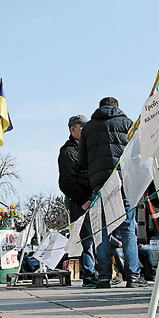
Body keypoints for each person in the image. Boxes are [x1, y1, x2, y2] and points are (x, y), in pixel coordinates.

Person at [78, 97, 148, 288]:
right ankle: (133, 276)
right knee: (127, 230)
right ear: (117, 107)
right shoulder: (127, 123)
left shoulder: (89, 128)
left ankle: (103, 278)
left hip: (99, 185)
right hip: (122, 182)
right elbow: (137, 154)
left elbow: (82, 160)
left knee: (100, 231)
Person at [58, 114, 98, 287]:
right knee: (87, 238)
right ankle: (89, 276)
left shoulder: (88, 148)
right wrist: (81, 199)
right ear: (73, 129)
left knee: (97, 237)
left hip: (91, 196)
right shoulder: (68, 152)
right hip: (80, 200)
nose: (86, 130)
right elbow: (67, 181)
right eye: (83, 127)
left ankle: (97, 273)